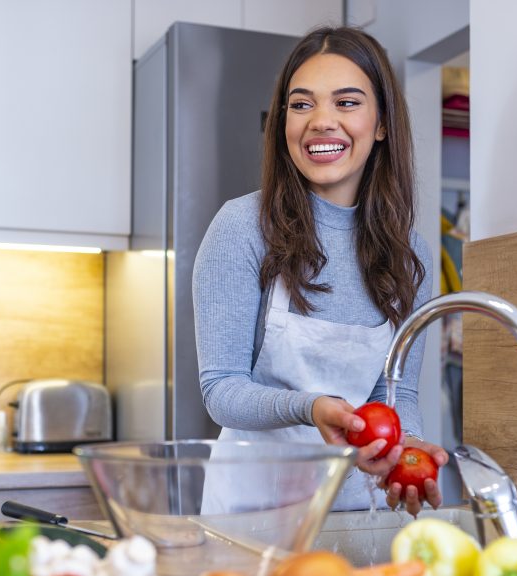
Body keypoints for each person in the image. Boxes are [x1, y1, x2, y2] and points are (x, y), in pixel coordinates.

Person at [192, 26, 448, 516]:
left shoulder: (408, 253)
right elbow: (221, 389)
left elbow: (395, 392)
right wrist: (312, 408)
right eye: (302, 104)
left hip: (353, 504)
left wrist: (404, 450)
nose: (321, 122)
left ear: (381, 124)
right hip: (252, 509)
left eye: (347, 103)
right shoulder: (243, 226)